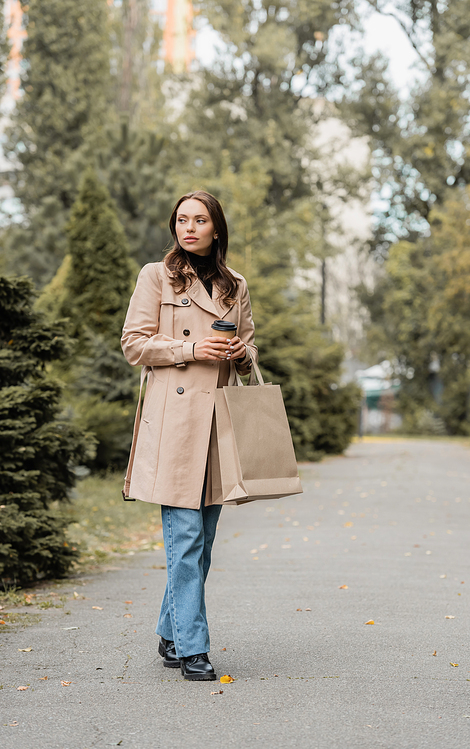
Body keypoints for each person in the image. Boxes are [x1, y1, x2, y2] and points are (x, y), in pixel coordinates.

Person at [121, 191, 258, 681]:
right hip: (175, 423)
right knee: (185, 538)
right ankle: (193, 648)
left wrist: (241, 353)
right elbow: (134, 344)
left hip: (217, 424)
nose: (190, 227)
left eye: (200, 220)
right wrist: (191, 348)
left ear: (216, 229)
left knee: (203, 538)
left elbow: (249, 351)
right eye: (182, 219)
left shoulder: (235, 284)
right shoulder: (155, 276)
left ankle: (169, 628)